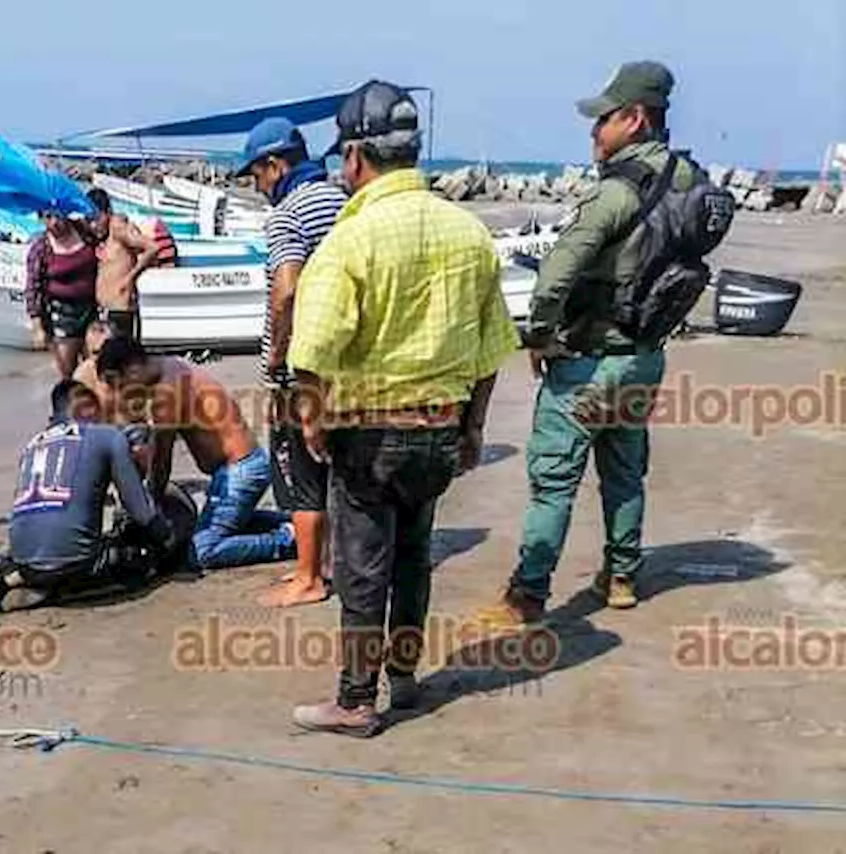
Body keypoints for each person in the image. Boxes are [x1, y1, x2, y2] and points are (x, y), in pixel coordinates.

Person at [285, 80, 521, 736]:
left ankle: (357, 701)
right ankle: (406, 678)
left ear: (356, 158)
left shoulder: (349, 238)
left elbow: (313, 349)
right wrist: (472, 428)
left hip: (370, 435)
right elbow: (490, 347)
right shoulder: (468, 234)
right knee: (414, 555)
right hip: (440, 431)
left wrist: (311, 419)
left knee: (364, 569)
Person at [472, 61, 702, 628]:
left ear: (636, 118)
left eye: (603, 120)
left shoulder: (617, 193)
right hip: (644, 355)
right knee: (625, 470)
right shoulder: (687, 182)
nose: (593, 132)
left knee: (554, 481)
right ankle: (621, 575)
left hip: (589, 360)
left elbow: (556, 274)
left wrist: (540, 335)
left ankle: (527, 595)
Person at [234, 116, 349, 608]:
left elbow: (287, 288)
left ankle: (309, 577)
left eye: (256, 176)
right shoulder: (342, 201)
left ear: (275, 165)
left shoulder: (287, 214)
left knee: (299, 472)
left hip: (301, 368)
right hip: (346, 362)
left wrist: (278, 356)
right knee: (335, 467)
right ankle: (326, 564)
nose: (258, 188)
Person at [96, 337, 296, 572]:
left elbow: (161, 463)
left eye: (117, 383)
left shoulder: (166, 391)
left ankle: (291, 542)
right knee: (229, 523)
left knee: (202, 551)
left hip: (240, 472)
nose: (120, 393)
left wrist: (149, 510)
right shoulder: (171, 366)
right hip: (238, 468)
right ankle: (300, 523)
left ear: (132, 368)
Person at [0, 380, 183, 611]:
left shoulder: (32, 445)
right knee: (145, 559)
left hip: (23, 558)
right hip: (77, 563)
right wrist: (168, 540)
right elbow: (142, 512)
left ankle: (22, 579)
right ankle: (64, 589)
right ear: (87, 408)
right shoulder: (107, 436)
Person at [24, 209, 99, 378]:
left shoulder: (84, 232)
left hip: (91, 309)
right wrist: (37, 327)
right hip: (61, 314)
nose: (54, 222)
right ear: (42, 219)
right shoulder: (41, 248)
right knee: (68, 373)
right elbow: (32, 287)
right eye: (48, 217)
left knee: (96, 367)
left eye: (58, 216)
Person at [86, 188, 158, 341]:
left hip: (121, 310)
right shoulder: (100, 237)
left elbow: (152, 248)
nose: (93, 225)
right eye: (89, 220)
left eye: (96, 219)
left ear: (108, 212)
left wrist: (131, 277)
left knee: (122, 362)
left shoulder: (118, 228)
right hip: (103, 310)